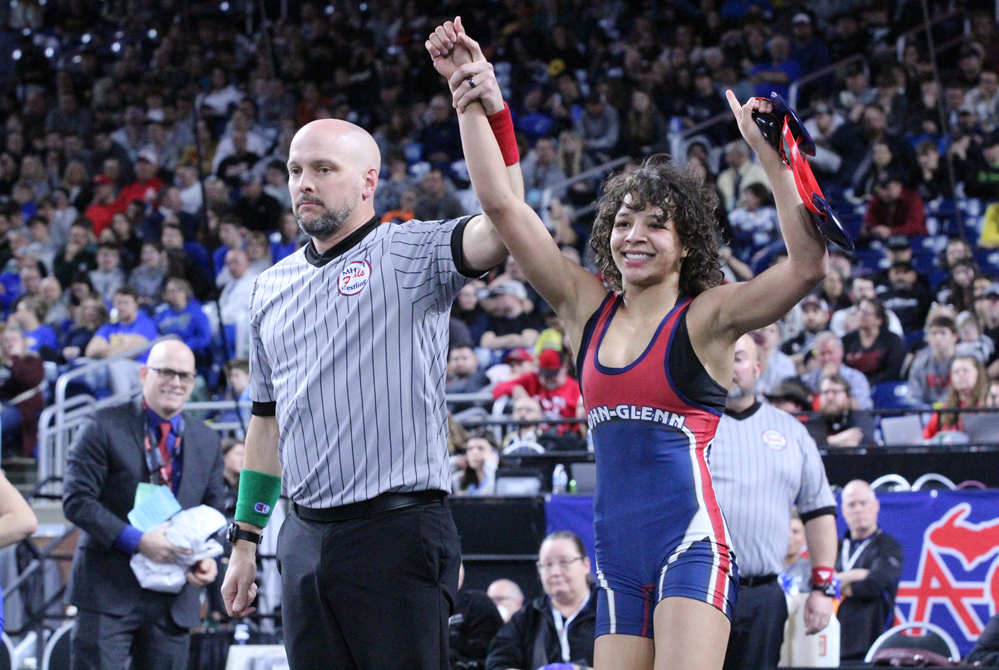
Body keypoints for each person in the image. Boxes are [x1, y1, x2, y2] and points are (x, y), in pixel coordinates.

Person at [438, 21, 828, 670]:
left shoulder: (706, 318)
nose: (634, 236)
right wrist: (475, 96)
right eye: (623, 222)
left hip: (690, 547)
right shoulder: (583, 305)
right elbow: (503, 207)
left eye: (655, 224)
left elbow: (806, 268)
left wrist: (772, 159)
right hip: (616, 557)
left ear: (687, 242)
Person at [221, 21, 518, 669]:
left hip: (397, 528)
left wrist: (484, 110)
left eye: (323, 169)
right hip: (300, 533)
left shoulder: (410, 249)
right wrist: (245, 539)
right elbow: (264, 425)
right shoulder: (269, 289)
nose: (304, 182)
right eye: (296, 169)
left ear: (367, 182)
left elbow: (504, 229)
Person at [62, 340, 226, 669]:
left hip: (174, 596)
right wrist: (138, 542)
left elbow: (213, 512)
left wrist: (207, 558)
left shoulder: (207, 440)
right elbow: (77, 501)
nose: (176, 382)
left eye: (185, 376)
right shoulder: (101, 425)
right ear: (143, 373)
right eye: (166, 372)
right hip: (107, 590)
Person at [711, 334, 838, 670]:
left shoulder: (792, 432)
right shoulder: (688, 427)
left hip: (762, 593)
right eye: (721, 357)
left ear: (757, 368)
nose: (729, 367)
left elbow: (819, 510)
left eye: (737, 358)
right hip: (698, 591)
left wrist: (824, 586)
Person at [486, 531, 597, 670]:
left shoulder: (609, 613)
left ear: (585, 565)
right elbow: (498, 662)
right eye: (547, 565)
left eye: (564, 562)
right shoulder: (527, 618)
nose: (555, 572)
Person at [834, 480, 903, 662]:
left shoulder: (888, 547)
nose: (858, 509)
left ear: (876, 506)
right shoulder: (836, 548)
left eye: (863, 503)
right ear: (843, 511)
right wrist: (857, 574)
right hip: (833, 638)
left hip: (871, 641)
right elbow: (821, 584)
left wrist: (840, 585)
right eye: (851, 504)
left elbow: (874, 584)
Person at [0, 326, 45, 458]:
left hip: (22, 408)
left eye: (14, 339)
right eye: (6, 340)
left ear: (23, 342)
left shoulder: (33, 361)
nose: (10, 343)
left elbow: (28, 380)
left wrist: (15, 358)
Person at [840, 297, 905, 385]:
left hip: (881, 387)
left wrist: (868, 384)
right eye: (859, 310)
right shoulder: (846, 340)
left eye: (866, 312)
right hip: (851, 387)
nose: (860, 315)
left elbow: (893, 370)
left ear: (879, 320)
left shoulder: (892, 340)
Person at [923, 355, 989, 439]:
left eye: (965, 371)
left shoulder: (987, 406)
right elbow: (926, 439)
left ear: (978, 374)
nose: (960, 375)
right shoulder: (943, 411)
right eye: (956, 372)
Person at [907, 315, 959, 405]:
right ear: (928, 338)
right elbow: (914, 396)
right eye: (934, 333)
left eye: (943, 333)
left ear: (954, 337)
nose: (937, 338)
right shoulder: (920, 363)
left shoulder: (964, 362)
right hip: (925, 413)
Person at [816, 373, 877, 447]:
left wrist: (826, 441)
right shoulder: (814, 420)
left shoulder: (860, 418)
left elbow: (863, 441)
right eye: (825, 392)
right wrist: (833, 440)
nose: (830, 397)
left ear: (848, 397)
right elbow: (809, 442)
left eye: (835, 392)